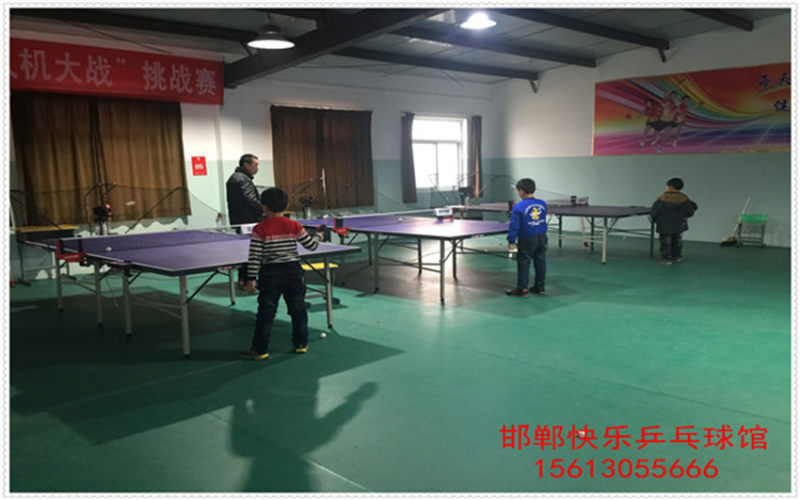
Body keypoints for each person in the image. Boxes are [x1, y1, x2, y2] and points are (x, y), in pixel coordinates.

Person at [239, 187, 323, 360]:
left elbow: (254, 256)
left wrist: (250, 279)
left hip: (270, 273)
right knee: (298, 309)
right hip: (294, 272)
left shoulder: (259, 229)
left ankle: (260, 350)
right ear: (287, 206)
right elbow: (311, 246)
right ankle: (301, 344)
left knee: (266, 312)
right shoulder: (294, 225)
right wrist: (319, 236)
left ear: (264, 207)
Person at [506, 178, 548, 297]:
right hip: (542, 237)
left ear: (521, 191)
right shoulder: (542, 203)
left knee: (524, 262)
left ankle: (522, 289)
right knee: (540, 261)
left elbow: (514, 226)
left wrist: (511, 241)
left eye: (518, 190)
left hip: (527, 238)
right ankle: (540, 287)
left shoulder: (518, 207)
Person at [226, 154, 263, 287]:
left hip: (240, 220)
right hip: (248, 221)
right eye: (255, 164)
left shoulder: (235, 177)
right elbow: (251, 200)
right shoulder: (242, 179)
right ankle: (248, 281)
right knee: (251, 252)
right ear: (246, 165)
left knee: (244, 251)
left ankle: (243, 279)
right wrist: (265, 209)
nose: (257, 168)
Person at [650, 177, 698, 265]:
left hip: (664, 225)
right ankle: (677, 257)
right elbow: (690, 212)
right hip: (679, 225)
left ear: (670, 187)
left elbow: (654, 211)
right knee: (677, 241)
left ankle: (666, 259)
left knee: (665, 242)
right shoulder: (684, 199)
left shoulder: (661, 198)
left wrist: (654, 219)